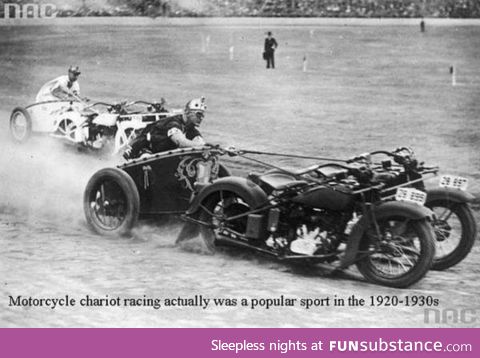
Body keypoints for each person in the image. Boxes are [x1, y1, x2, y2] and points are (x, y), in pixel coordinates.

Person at [123, 97, 207, 160]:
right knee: (147, 159)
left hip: (158, 153)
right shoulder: (174, 123)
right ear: (187, 112)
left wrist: (204, 146)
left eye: (202, 115)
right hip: (143, 149)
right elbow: (180, 142)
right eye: (198, 114)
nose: (201, 118)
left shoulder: (190, 128)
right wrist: (200, 146)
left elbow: (200, 142)